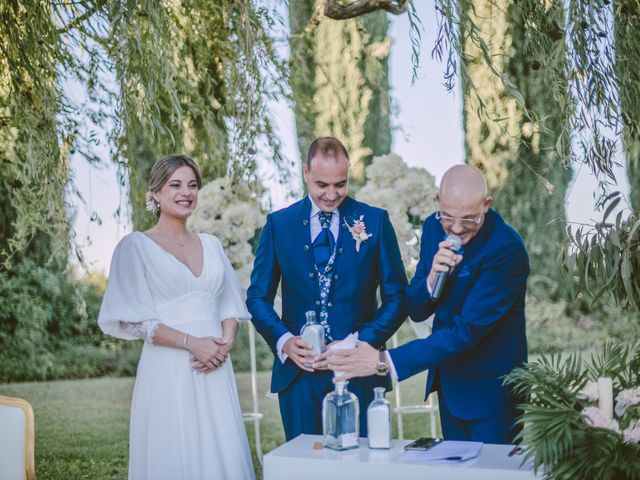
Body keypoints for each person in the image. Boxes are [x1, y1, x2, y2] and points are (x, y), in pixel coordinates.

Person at [328, 164, 530, 444]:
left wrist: (384, 361)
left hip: (493, 394)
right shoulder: (433, 227)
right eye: (449, 217)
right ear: (437, 201)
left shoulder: (506, 249)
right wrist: (432, 277)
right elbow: (417, 308)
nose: (457, 229)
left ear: (486, 204)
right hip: (450, 386)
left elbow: (467, 331)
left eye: (469, 220)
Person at [98, 154, 254, 480]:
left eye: (193, 185)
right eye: (176, 185)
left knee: (219, 445)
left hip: (214, 363)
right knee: (174, 445)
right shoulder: (135, 246)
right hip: (169, 365)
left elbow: (229, 305)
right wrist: (191, 344)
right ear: (154, 192)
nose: (187, 192)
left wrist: (222, 346)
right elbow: (131, 320)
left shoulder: (211, 245)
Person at [246, 137, 407, 441]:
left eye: (340, 184)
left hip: (358, 372)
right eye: (322, 185)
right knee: (304, 467)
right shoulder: (278, 224)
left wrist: (360, 342)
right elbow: (257, 298)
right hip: (298, 377)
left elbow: (398, 298)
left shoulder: (375, 220)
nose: (332, 195)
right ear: (305, 172)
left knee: (362, 468)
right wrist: (285, 342)